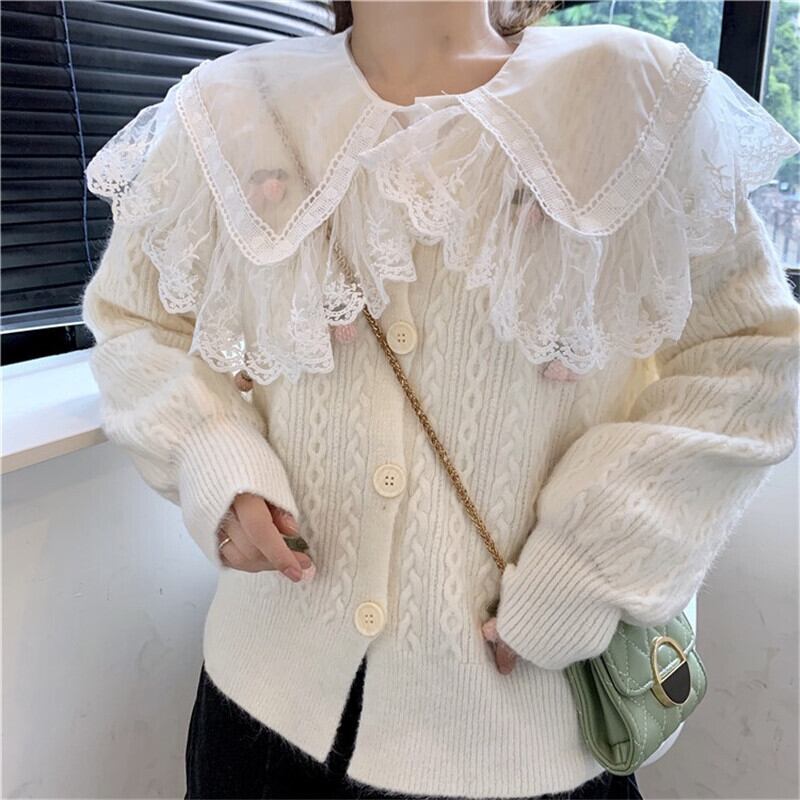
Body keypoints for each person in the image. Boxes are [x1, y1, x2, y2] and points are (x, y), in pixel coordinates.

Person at [80, 0, 800, 798]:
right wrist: (214, 458)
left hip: (520, 735)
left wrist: (592, 562)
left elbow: (751, 355)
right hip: (257, 717)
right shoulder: (231, 108)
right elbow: (139, 321)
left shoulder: (631, 99)